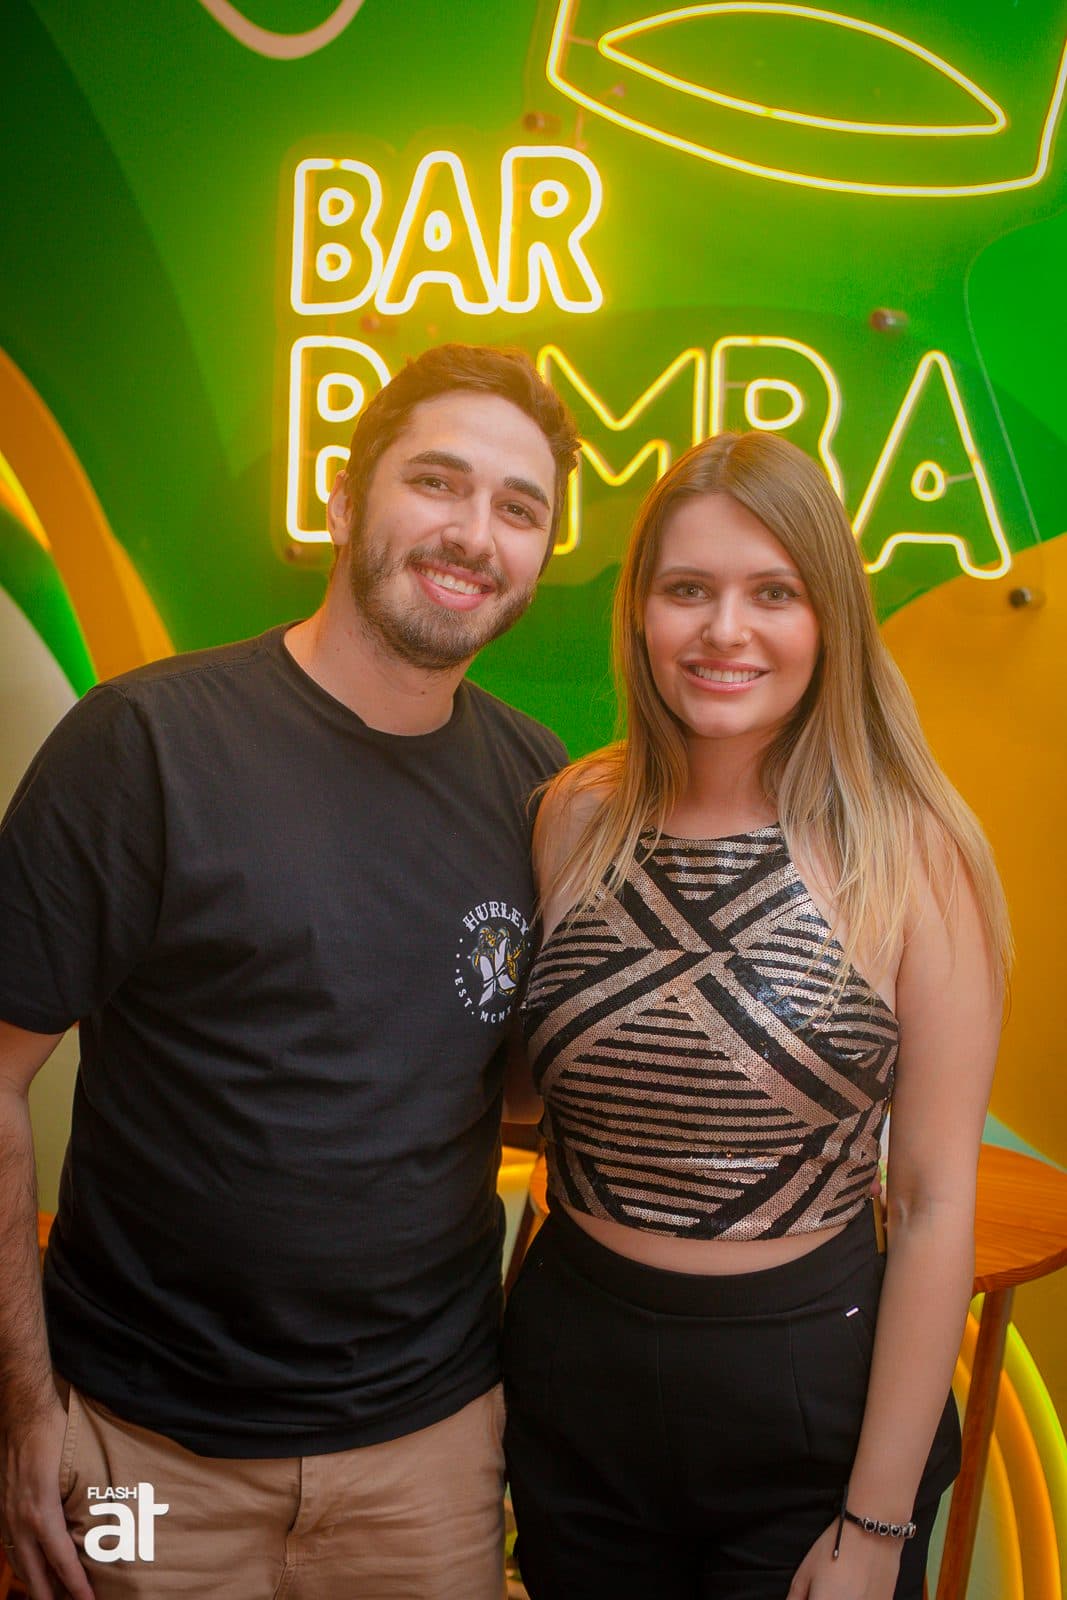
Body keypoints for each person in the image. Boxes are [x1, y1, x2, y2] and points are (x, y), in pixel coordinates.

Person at [0, 343, 579, 1600]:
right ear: (344, 498)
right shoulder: (144, 745)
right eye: (437, 480)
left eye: (518, 507)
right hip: (138, 1453)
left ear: (539, 556)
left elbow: (519, 1088)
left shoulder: (542, 791)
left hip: (428, 1466)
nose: (473, 532)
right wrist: (24, 1410)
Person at [502, 430, 1009, 1600]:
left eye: (771, 592)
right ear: (639, 612)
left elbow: (932, 1204)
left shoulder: (911, 852)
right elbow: (526, 1091)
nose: (723, 630)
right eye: (687, 589)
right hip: (570, 1375)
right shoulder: (572, 816)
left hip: (806, 1401)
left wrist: (874, 1525)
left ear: (828, 616)